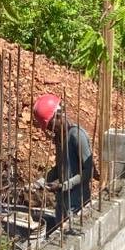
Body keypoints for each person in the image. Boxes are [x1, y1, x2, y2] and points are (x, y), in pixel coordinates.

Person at [32, 93, 94, 230]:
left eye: (50, 125)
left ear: (58, 117)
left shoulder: (77, 136)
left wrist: (64, 185)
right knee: (57, 234)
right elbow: (60, 167)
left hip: (76, 205)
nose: (50, 130)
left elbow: (89, 171)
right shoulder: (59, 138)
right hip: (62, 203)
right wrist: (42, 181)